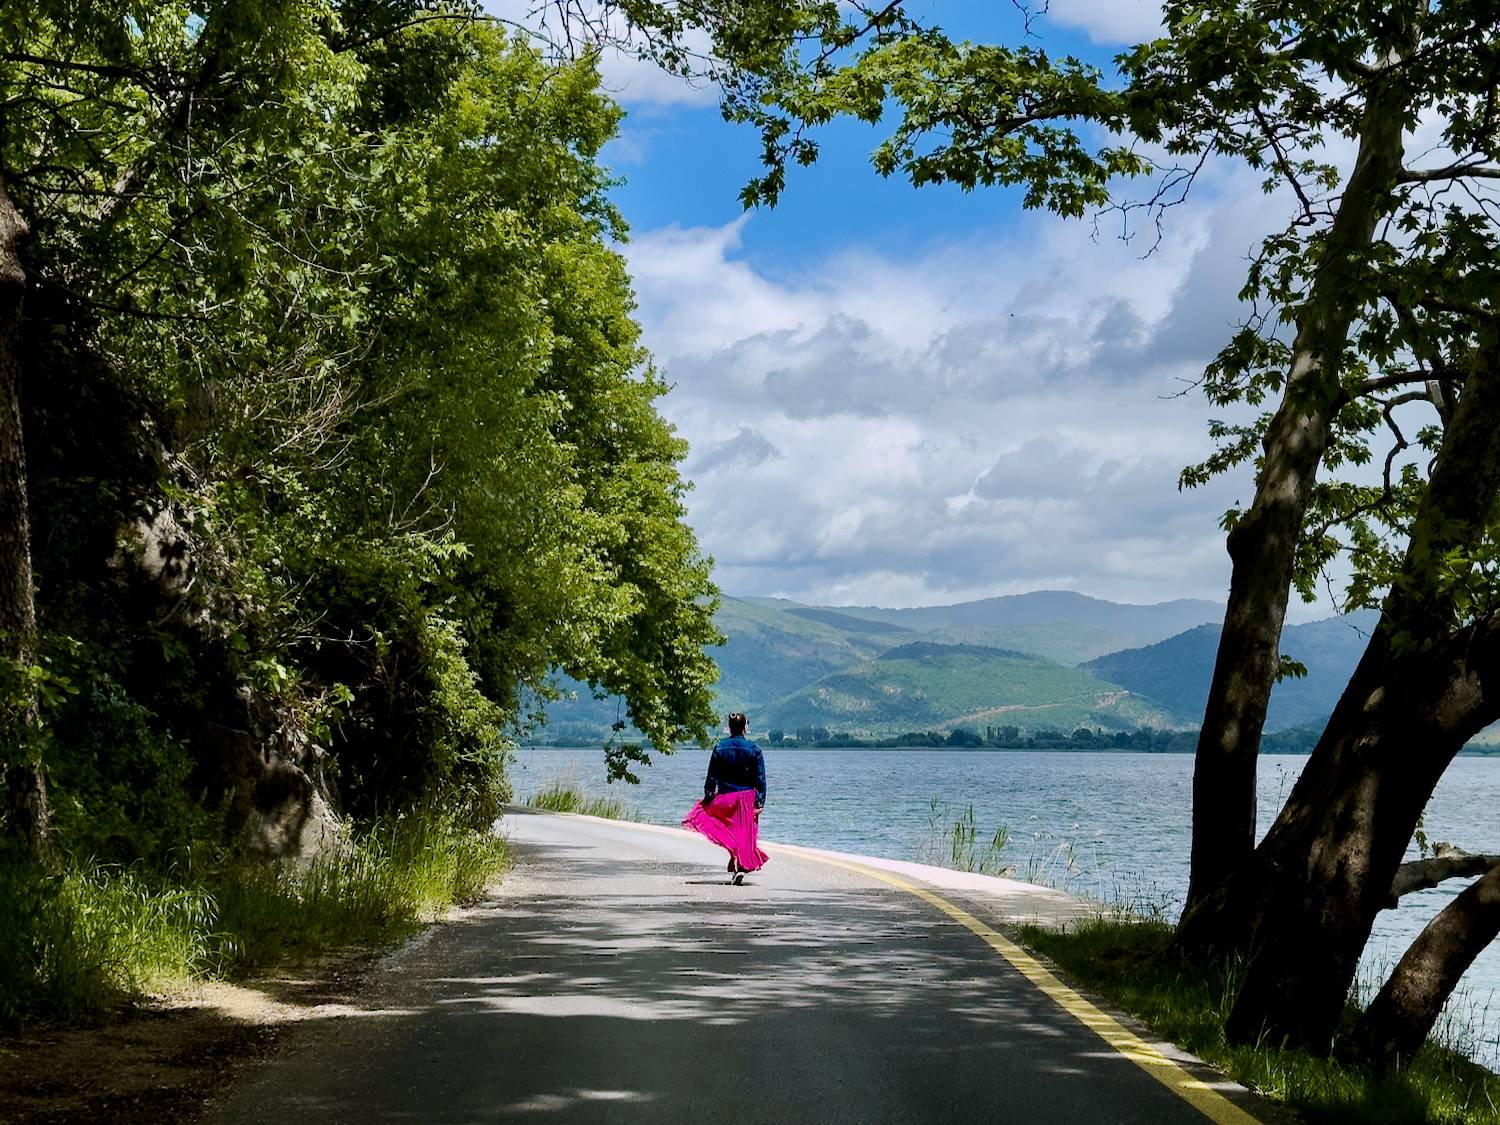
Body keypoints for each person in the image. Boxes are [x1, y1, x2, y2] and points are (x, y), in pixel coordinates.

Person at [682, 712, 767, 884]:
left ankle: (735, 861)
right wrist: (760, 802)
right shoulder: (754, 749)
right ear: (745, 727)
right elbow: (760, 779)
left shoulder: (720, 747)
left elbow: (712, 776)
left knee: (728, 831)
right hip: (747, 798)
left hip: (726, 797)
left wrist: (708, 797)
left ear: (729, 727)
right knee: (745, 834)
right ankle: (739, 866)